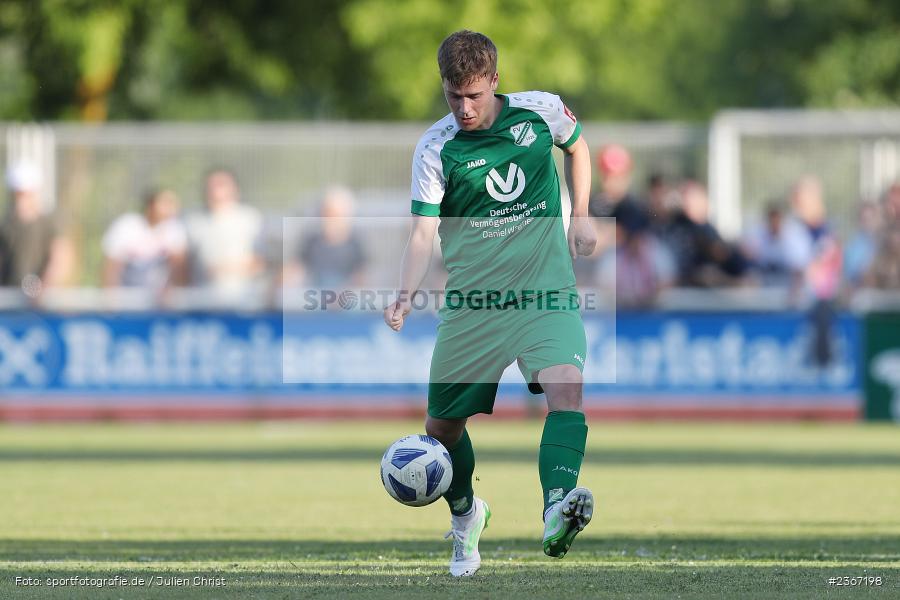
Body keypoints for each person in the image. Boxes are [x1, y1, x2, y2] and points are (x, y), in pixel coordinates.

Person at [382, 30, 597, 576]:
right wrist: (404, 296)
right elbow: (424, 234)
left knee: (566, 392)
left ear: (494, 81)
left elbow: (579, 146)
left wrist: (583, 214)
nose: (464, 108)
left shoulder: (540, 112)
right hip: (474, 304)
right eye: (454, 97)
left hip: (544, 292)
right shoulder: (436, 148)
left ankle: (555, 509)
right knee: (442, 432)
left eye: (474, 96)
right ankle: (466, 517)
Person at [185, 168, 263, 300]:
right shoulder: (193, 221)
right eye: (211, 186)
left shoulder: (250, 218)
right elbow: (184, 264)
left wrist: (227, 269)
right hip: (202, 300)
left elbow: (261, 262)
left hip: (242, 299)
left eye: (221, 185)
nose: (215, 190)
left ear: (234, 188)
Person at [0, 161, 72, 294]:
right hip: (8, 304)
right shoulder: (5, 225)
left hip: (42, 307)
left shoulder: (50, 223)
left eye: (26, 193)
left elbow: (60, 259)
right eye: (18, 193)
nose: (21, 199)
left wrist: (42, 289)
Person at [101, 188, 187, 295]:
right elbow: (112, 266)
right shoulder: (127, 225)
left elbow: (178, 267)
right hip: (128, 299)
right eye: (166, 203)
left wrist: (171, 289)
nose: (172, 208)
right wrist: (111, 295)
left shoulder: (175, 229)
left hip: (160, 303)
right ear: (151, 205)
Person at [293, 186, 367, 288]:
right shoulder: (312, 242)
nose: (327, 219)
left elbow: (361, 278)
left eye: (333, 214)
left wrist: (343, 292)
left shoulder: (355, 245)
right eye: (324, 213)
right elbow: (297, 269)